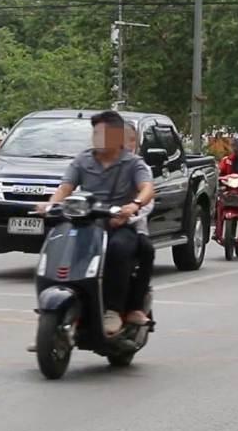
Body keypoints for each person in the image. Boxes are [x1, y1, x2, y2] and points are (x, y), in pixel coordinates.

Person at [37, 110, 155, 336]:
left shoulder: (134, 164)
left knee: (118, 249)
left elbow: (147, 189)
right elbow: (65, 188)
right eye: (96, 133)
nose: (98, 138)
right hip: (86, 223)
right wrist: (50, 205)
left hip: (119, 225)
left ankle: (113, 310)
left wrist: (133, 206)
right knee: (58, 244)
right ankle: (51, 312)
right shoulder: (82, 160)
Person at [123, 123, 154, 326]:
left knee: (145, 250)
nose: (128, 144)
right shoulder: (91, 164)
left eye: (132, 140)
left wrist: (129, 213)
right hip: (96, 227)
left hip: (131, 227)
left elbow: (147, 200)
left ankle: (135, 306)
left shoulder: (139, 167)